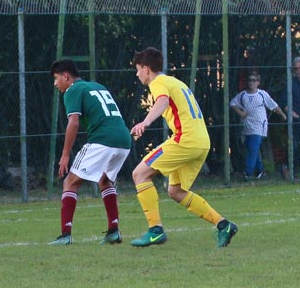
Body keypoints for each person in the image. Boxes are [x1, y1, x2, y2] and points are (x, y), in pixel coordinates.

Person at [128, 47, 238, 248]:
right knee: (176, 191)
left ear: (146, 68)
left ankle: (155, 230)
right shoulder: (175, 81)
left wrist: (146, 122)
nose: (137, 74)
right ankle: (224, 225)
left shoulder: (158, 82)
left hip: (185, 140)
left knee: (139, 174)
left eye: (137, 69)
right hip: (201, 142)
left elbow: (162, 101)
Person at [48, 60, 131, 245]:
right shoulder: (97, 86)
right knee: (105, 180)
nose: (55, 84)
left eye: (56, 78)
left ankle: (65, 235)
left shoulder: (72, 90)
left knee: (70, 182)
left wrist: (65, 155)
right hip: (124, 140)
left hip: (103, 140)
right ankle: (113, 232)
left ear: (65, 76)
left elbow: (73, 123)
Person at [230, 71, 285, 179]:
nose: (251, 83)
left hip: (259, 126)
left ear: (258, 82)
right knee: (252, 148)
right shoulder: (243, 95)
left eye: (253, 80)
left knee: (253, 148)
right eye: (249, 80)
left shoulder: (262, 94)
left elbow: (273, 105)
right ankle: (260, 171)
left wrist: (282, 114)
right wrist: (241, 113)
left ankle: (248, 172)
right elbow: (232, 103)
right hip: (247, 127)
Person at [280, 56, 300, 177]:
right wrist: (295, 115)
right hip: (295, 121)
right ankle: (287, 168)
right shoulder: (290, 84)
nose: (298, 71)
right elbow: (284, 104)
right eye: (296, 69)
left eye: (299, 68)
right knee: (295, 146)